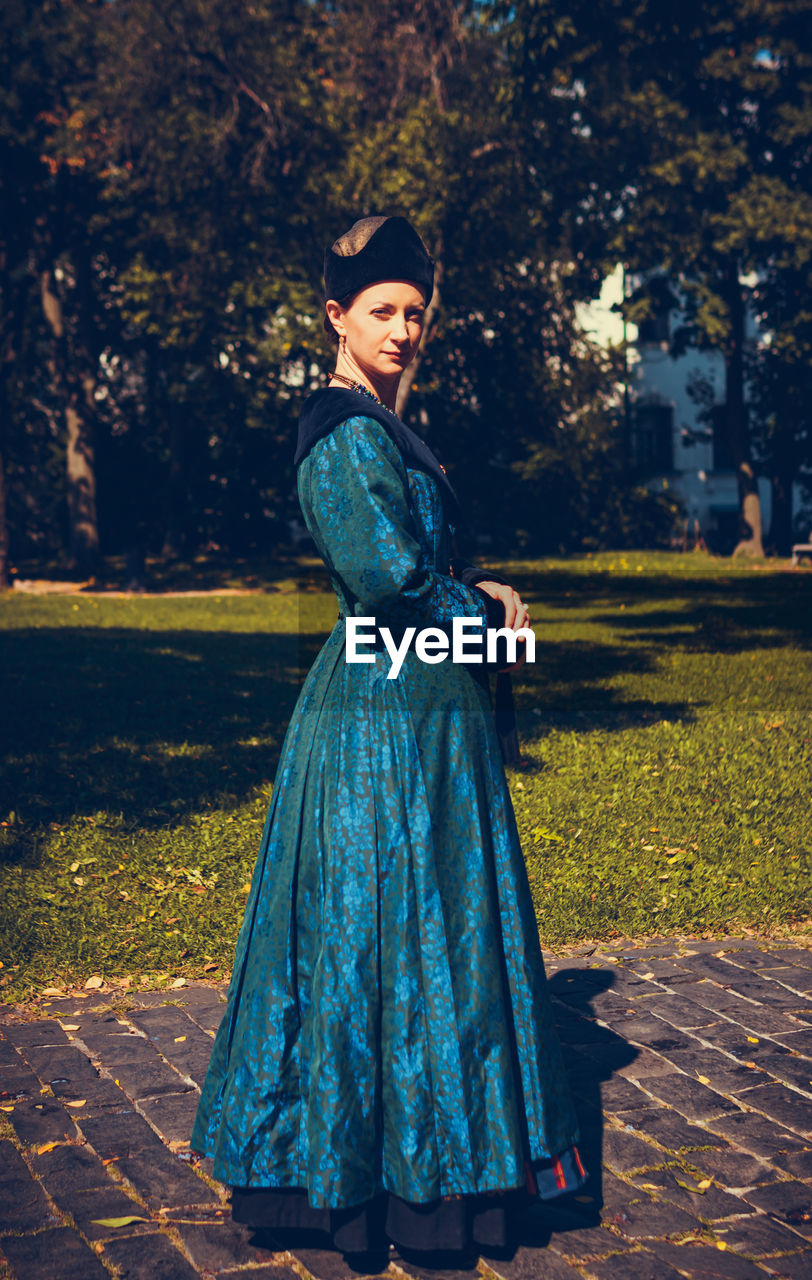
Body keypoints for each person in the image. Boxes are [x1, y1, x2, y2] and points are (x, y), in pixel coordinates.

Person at [190, 214, 586, 1263]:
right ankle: (372, 1185)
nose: (403, 328)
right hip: (377, 728)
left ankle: (439, 1174)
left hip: (416, 716)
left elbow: (421, 574)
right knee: (378, 939)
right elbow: (391, 583)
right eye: (382, 311)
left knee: (427, 938)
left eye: (415, 311)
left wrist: (484, 592)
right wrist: (493, 612)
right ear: (337, 316)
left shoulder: (382, 424)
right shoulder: (344, 433)